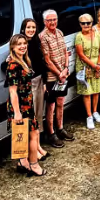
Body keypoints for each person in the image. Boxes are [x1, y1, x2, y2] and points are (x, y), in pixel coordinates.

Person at [4, 34, 45, 177]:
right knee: (34, 134)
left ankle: (24, 162)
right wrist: (17, 113)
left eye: (24, 43)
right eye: (18, 44)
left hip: (27, 103)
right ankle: (33, 164)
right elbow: (12, 92)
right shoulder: (13, 65)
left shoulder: (23, 60)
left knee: (30, 134)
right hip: (21, 107)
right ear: (12, 47)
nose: (22, 46)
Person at [39, 10, 74, 148]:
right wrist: (60, 73)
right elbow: (47, 60)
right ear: (44, 22)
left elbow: (65, 52)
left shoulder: (59, 32)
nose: (52, 22)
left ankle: (60, 129)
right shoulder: (43, 37)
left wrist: (66, 68)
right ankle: (51, 133)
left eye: (54, 19)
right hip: (52, 77)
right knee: (51, 105)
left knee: (61, 102)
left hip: (63, 74)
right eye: (49, 20)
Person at [19, 18, 49, 161]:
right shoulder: (21, 45)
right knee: (30, 118)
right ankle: (31, 151)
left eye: (33, 27)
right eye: (28, 27)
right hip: (28, 84)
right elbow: (10, 62)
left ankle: (37, 146)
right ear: (23, 29)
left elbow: (41, 63)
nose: (31, 30)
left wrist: (44, 82)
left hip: (38, 81)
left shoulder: (36, 42)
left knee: (37, 115)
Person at [75, 13, 100, 129]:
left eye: (88, 23)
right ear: (80, 24)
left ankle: (95, 111)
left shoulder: (96, 34)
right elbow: (81, 55)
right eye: (83, 23)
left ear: (92, 23)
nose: (86, 25)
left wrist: (99, 64)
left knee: (96, 90)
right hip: (84, 67)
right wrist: (94, 66)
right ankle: (89, 116)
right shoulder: (79, 36)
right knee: (87, 92)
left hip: (96, 65)